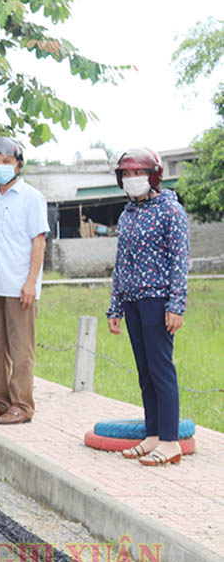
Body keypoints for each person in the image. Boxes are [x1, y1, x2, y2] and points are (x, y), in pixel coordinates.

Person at [107, 148, 189, 466]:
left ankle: (170, 441)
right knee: (145, 372)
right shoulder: (127, 215)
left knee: (161, 369)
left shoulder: (171, 211)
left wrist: (176, 304)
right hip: (132, 301)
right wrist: (115, 307)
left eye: (137, 173)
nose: (131, 180)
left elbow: (179, 260)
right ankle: (153, 435)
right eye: (126, 175)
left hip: (158, 300)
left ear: (153, 176)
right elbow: (120, 264)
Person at [0, 137, 49, 426]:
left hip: (18, 286)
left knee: (21, 349)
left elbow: (38, 242)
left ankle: (22, 405)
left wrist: (31, 282)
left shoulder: (31, 198)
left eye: (7, 161)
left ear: (18, 164)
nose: (1, 166)